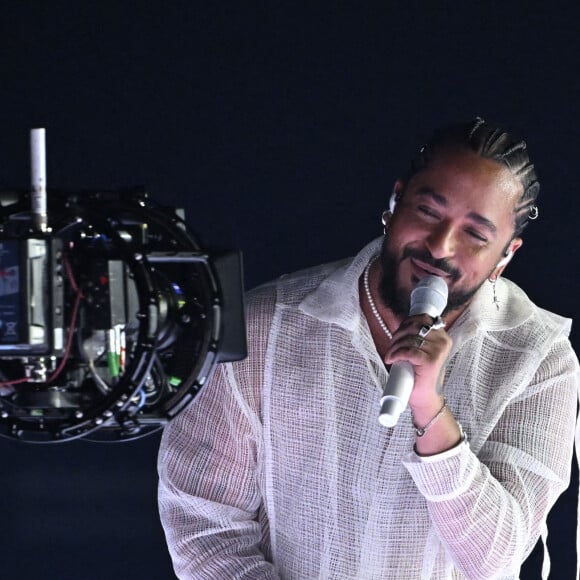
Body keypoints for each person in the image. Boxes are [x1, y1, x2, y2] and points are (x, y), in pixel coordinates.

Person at [157, 117, 579, 579]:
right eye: (427, 212)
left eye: (475, 235)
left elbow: (494, 559)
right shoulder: (265, 328)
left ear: (505, 255)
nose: (441, 245)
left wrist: (430, 411)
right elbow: (204, 528)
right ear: (394, 203)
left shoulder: (539, 360)